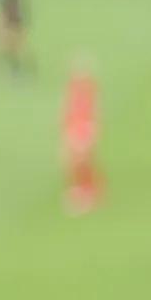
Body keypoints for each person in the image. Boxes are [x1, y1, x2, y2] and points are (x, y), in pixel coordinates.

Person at [59, 58, 102, 214]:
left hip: (84, 127)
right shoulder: (72, 87)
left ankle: (89, 190)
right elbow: (68, 107)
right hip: (74, 126)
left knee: (82, 159)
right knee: (72, 159)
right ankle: (81, 188)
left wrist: (92, 128)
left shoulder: (89, 88)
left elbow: (94, 109)